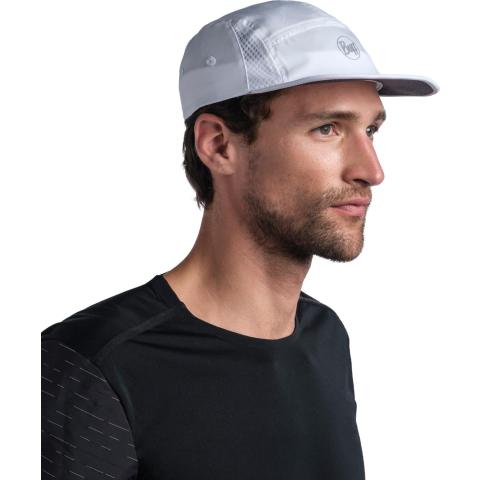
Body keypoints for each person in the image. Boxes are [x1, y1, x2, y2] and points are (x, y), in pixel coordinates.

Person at [41, 1, 439, 479]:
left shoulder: (325, 336)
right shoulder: (89, 364)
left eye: (370, 129)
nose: (371, 171)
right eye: (327, 128)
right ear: (218, 145)